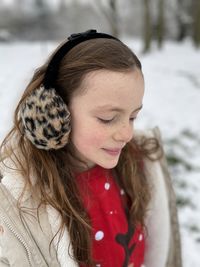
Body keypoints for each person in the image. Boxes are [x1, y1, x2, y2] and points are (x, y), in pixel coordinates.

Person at [0, 29, 182, 267]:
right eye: (108, 118)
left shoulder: (143, 164)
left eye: (133, 117)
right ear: (54, 111)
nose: (127, 134)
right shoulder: (20, 202)